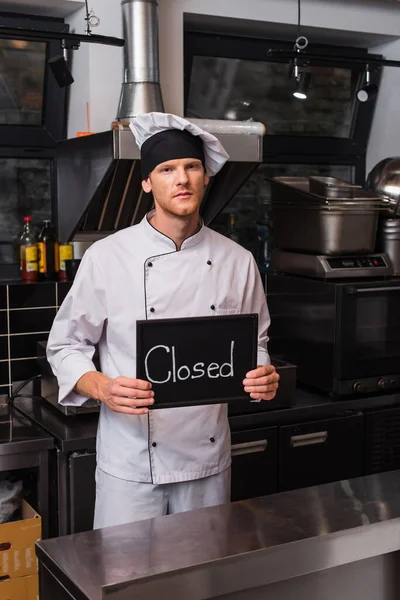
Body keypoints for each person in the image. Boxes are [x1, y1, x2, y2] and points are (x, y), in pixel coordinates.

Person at [47, 112, 279, 529]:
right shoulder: (107, 257)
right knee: (126, 582)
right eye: (167, 169)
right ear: (147, 183)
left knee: (201, 579)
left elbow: (254, 343)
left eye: (191, 167)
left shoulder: (237, 261)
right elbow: (65, 346)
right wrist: (102, 387)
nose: (182, 179)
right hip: (131, 462)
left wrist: (262, 372)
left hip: (206, 461)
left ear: (205, 176)